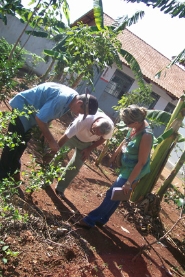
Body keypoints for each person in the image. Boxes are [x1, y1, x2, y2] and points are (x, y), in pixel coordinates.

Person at [0, 82, 98, 181]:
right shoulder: (62, 99)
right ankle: (2, 175)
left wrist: (46, 126)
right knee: (12, 145)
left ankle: (13, 171)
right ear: (80, 103)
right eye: (80, 112)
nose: (78, 114)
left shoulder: (72, 99)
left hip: (31, 115)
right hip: (23, 108)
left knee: (21, 144)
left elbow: (48, 113)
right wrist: (51, 140)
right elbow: (40, 119)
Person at [76, 104, 153, 229]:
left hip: (134, 170)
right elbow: (127, 139)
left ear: (136, 122)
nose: (127, 126)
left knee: (111, 193)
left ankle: (90, 220)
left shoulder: (146, 136)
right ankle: (103, 219)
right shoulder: (135, 126)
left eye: (128, 124)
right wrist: (115, 153)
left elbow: (142, 162)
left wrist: (129, 182)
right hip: (127, 166)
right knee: (118, 194)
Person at [51, 110, 114, 198]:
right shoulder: (84, 119)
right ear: (96, 122)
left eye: (97, 134)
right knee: (58, 157)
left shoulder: (109, 128)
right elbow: (66, 136)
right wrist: (55, 150)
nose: (93, 134)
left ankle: (60, 188)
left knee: (76, 165)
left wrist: (89, 149)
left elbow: (103, 139)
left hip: (87, 144)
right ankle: (46, 179)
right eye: (93, 130)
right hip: (73, 136)